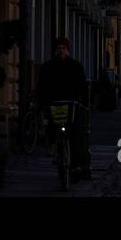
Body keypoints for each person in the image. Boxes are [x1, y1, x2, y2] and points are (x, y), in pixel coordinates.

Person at [37, 36, 90, 180]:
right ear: (55, 50)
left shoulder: (75, 66)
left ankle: (75, 164)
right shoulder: (47, 67)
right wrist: (42, 103)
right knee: (53, 129)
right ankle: (54, 146)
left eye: (64, 48)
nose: (61, 51)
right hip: (53, 105)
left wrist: (84, 103)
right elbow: (41, 87)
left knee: (76, 134)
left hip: (71, 105)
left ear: (68, 50)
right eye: (59, 48)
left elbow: (83, 86)